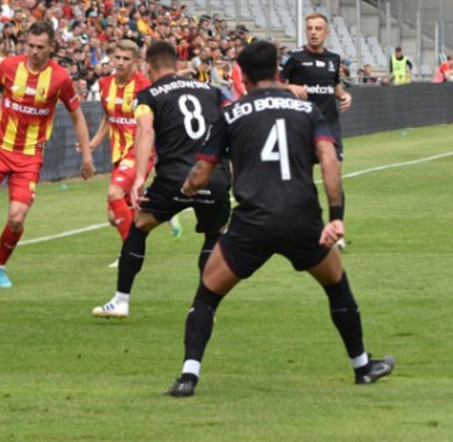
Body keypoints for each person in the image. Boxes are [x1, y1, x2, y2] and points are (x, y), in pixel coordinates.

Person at [164, 41, 394, 397]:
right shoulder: (306, 110)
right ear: (276, 71)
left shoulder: (231, 113)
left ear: (242, 75)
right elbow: (329, 160)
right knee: (336, 286)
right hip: (302, 220)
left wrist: (189, 187)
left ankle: (187, 378)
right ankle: (362, 367)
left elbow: (201, 172)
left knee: (207, 294)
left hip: (252, 223)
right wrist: (336, 217)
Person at [0, 20, 95, 289]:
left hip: (29, 155)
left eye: (40, 47)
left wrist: (87, 156)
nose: (34, 51)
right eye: (30, 45)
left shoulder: (60, 78)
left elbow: (77, 117)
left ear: (51, 47)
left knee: (16, 217)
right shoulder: (8, 67)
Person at [92, 39, 231, 319]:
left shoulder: (148, 95)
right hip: (214, 177)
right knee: (214, 233)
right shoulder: (213, 91)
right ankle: (205, 306)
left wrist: (139, 178)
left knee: (139, 226)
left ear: (147, 65)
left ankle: (121, 301)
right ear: (177, 64)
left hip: (174, 178)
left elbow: (145, 131)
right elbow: (232, 120)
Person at [88, 39, 153, 243]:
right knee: (113, 216)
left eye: (126, 58)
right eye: (117, 57)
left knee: (114, 193)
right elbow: (108, 118)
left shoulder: (144, 87)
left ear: (135, 62)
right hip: (119, 153)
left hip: (138, 152)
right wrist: (91, 144)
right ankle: (154, 205)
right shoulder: (105, 84)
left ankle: (129, 251)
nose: (121, 62)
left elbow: (149, 125)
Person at [276, 13, 352, 159]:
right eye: (310, 28)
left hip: (329, 121)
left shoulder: (334, 58)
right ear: (305, 31)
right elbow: (273, 83)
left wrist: (345, 95)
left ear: (327, 32)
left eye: (318, 29)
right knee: (303, 169)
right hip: (302, 122)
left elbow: (334, 85)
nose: (313, 32)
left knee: (334, 162)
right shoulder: (292, 56)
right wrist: (290, 87)